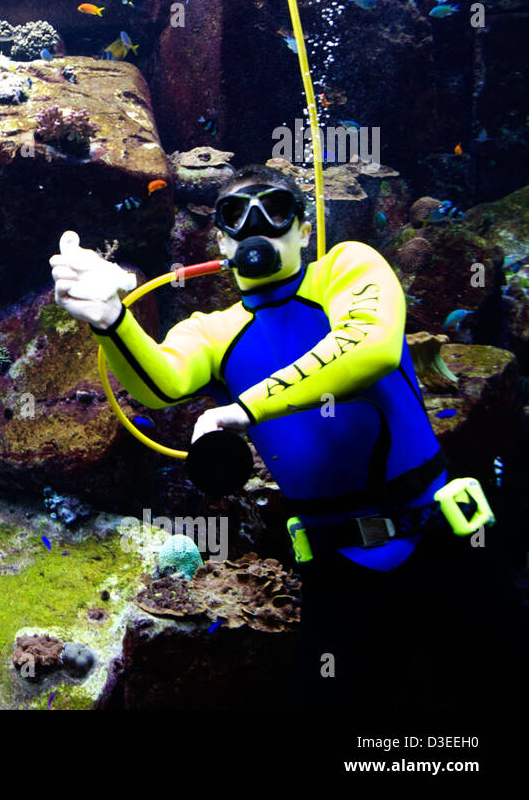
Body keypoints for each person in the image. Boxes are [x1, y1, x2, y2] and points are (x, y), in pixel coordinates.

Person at [51, 165, 523, 709]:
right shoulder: (213, 330)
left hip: (442, 543)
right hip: (336, 576)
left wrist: (244, 409)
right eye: (235, 215)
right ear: (221, 242)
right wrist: (112, 321)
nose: (257, 226)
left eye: (275, 210)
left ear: (303, 228)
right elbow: (162, 381)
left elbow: (368, 346)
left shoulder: (348, 268)